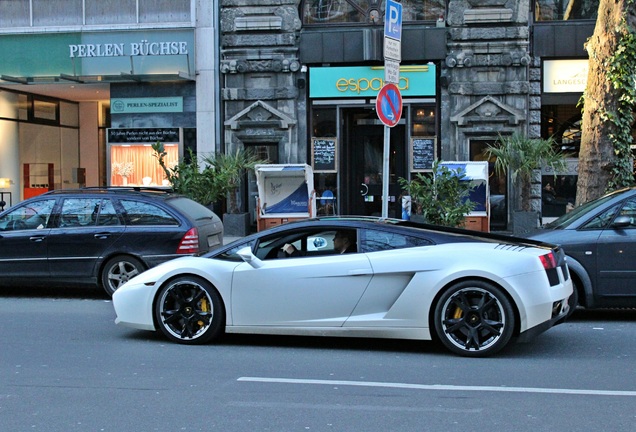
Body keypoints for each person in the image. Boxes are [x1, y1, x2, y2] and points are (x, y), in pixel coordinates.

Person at [282, 230, 356, 256]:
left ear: (345, 240)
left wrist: (293, 254)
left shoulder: (349, 256)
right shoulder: (345, 254)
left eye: (336, 237)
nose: (333, 240)